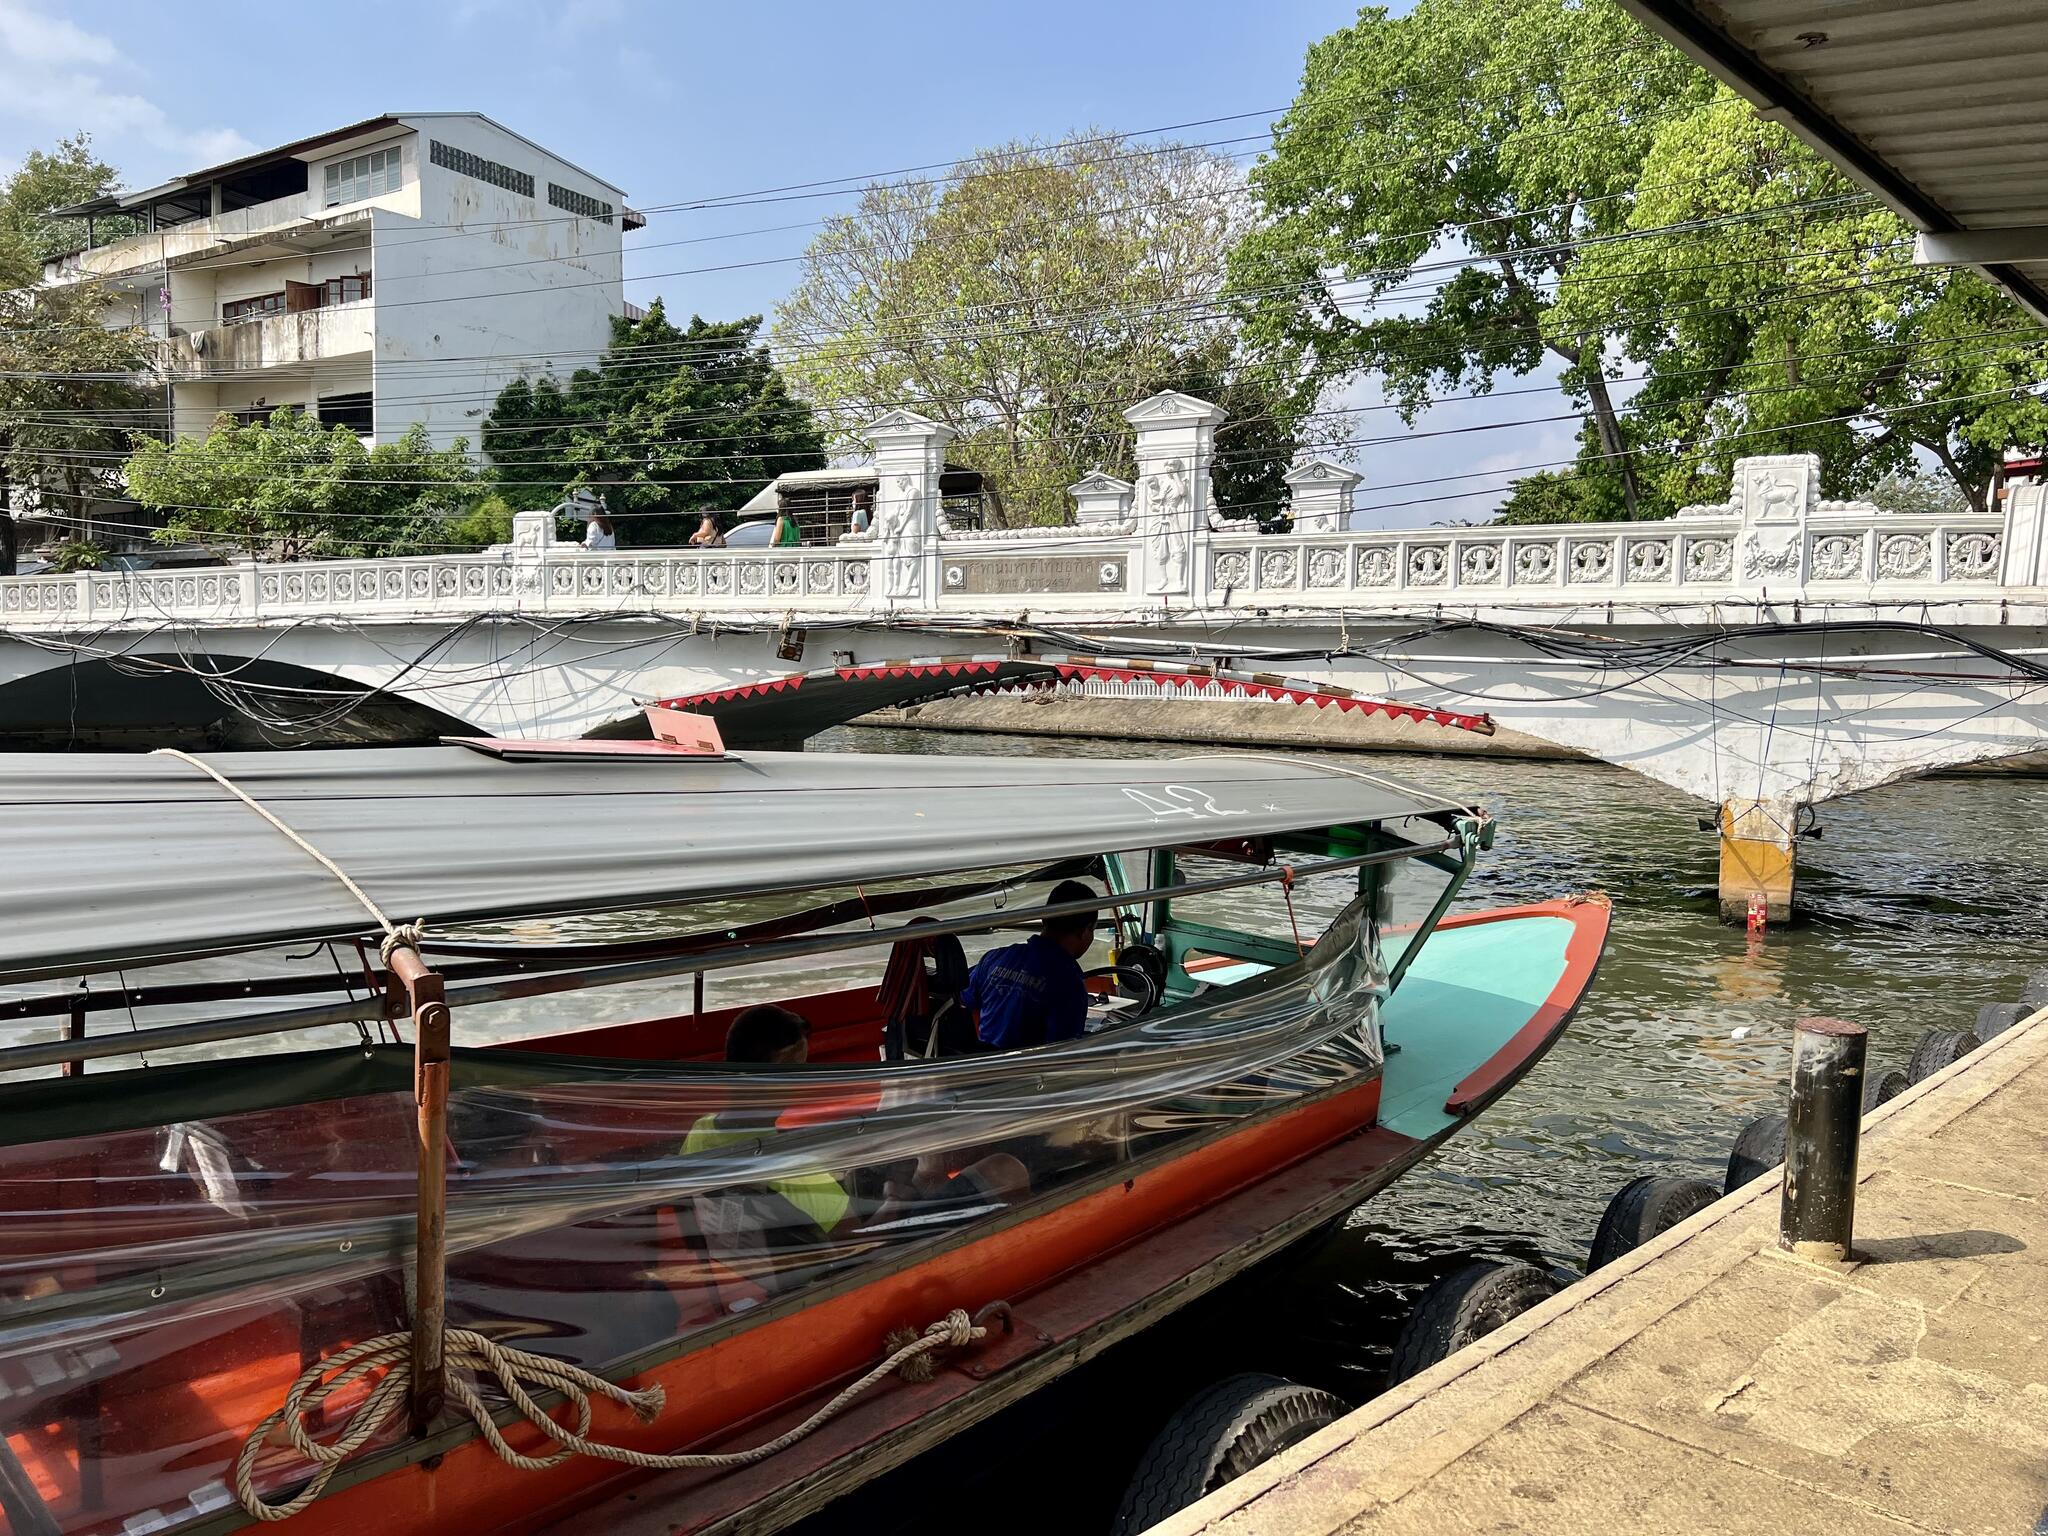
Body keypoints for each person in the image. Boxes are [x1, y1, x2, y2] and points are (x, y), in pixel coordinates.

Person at [959, 880, 1099, 1051]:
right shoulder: (1069, 983)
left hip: (981, 1061)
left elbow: (962, 995)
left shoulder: (995, 958)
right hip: (1027, 1067)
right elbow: (1062, 1050)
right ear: (1086, 931)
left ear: (1044, 918)